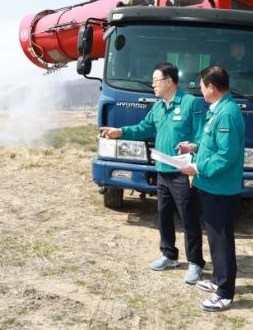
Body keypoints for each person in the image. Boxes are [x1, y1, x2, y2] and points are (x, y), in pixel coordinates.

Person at [100, 62, 207, 284]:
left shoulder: (190, 103)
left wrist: (194, 167)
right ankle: (169, 255)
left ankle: (196, 262)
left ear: (169, 81)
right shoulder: (158, 107)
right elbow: (144, 128)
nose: (153, 85)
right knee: (164, 215)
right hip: (162, 171)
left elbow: (202, 137)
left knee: (189, 219)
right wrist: (120, 131)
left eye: (155, 81)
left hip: (182, 172)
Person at [179, 65, 245, 312]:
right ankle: (218, 279)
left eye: (202, 86)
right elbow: (213, 146)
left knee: (221, 240)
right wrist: (194, 148)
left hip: (221, 189)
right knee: (215, 237)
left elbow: (225, 156)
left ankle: (225, 293)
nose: (201, 91)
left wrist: (197, 168)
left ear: (212, 87)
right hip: (212, 186)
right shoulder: (218, 110)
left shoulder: (227, 113)